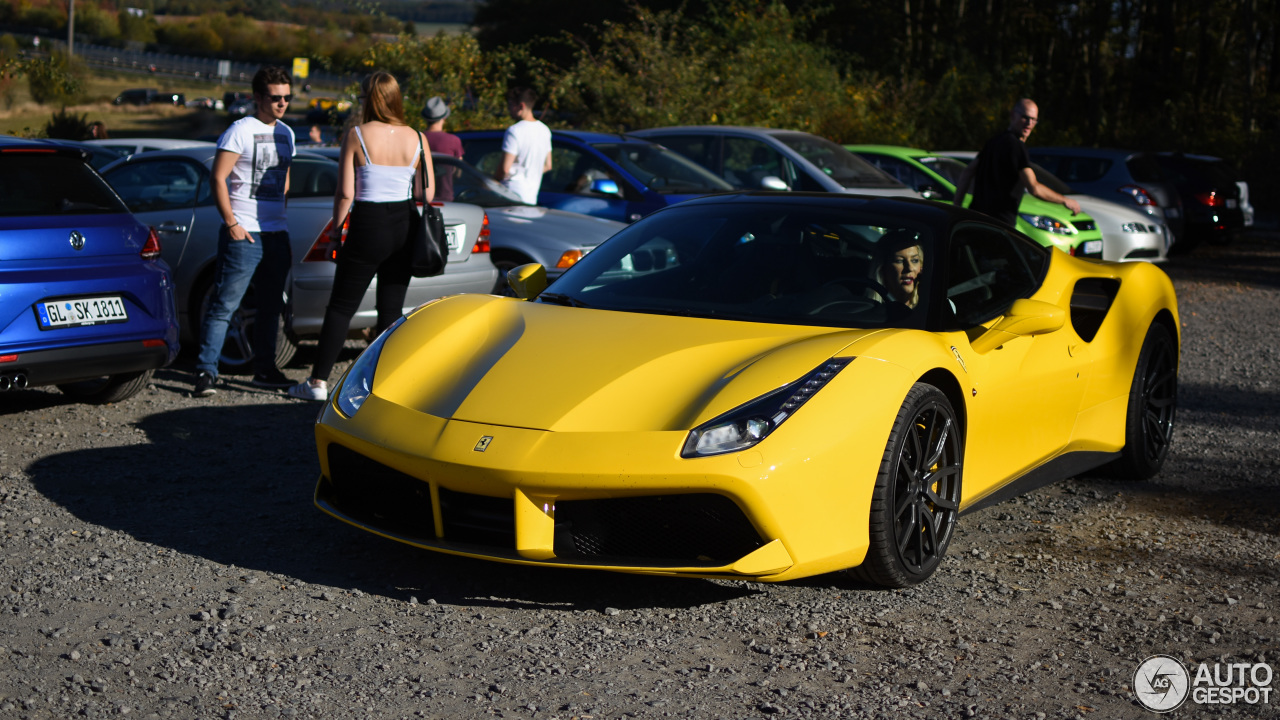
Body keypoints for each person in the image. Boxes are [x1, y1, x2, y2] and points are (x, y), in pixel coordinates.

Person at [288, 72, 435, 402]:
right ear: (396, 99)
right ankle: (386, 385)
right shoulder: (418, 138)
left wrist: (336, 233)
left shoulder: (357, 135)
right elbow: (427, 190)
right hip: (404, 223)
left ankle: (317, 383)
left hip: (369, 222)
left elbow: (344, 193)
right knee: (391, 310)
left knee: (341, 307)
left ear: (371, 99)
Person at [192, 66, 296, 397]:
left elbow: (285, 176)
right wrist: (232, 223)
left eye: (287, 98)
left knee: (271, 307)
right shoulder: (240, 130)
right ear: (257, 98)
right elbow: (217, 177)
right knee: (225, 304)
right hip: (245, 233)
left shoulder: (288, 133)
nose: (282, 104)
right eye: (275, 98)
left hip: (276, 233)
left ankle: (265, 370)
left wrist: (281, 213)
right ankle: (206, 372)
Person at [953, 98, 1080, 227]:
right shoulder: (1017, 147)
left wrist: (956, 207)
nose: (1029, 123)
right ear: (1013, 115)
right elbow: (1034, 188)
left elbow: (968, 172)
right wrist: (1064, 200)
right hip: (999, 224)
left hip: (977, 218)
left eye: (1034, 119)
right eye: (1025, 118)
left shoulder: (994, 141)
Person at [493, 86, 551, 205]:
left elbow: (504, 169)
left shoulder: (514, 131)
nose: (509, 109)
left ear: (521, 106)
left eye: (511, 105)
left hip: (511, 193)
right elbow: (548, 165)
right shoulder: (545, 130)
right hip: (531, 195)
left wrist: (492, 182)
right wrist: (530, 173)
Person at [421, 95, 463, 201]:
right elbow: (458, 172)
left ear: (426, 118)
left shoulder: (417, 138)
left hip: (421, 197)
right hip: (445, 198)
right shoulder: (453, 140)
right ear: (444, 118)